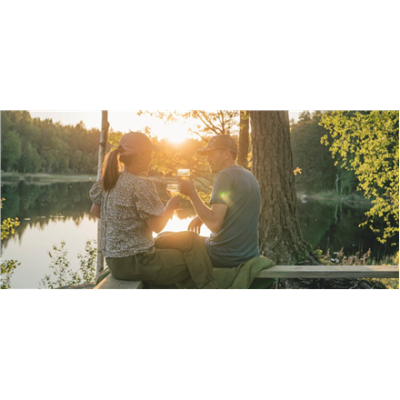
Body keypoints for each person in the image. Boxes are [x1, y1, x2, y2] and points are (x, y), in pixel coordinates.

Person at [89, 131, 217, 289]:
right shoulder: (141, 185)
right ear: (141, 156)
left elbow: (95, 210)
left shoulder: (109, 180)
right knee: (192, 262)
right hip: (138, 261)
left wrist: (123, 226)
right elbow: (157, 227)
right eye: (150, 154)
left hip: (115, 262)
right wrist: (169, 207)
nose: (151, 158)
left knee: (190, 241)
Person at [178, 135, 261, 269]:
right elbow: (232, 210)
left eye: (211, 154)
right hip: (248, 256)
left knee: (166, 240)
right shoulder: (248, 175)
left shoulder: (225, 175)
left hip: (223, 256)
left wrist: (192, 194)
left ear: (226, 154)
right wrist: (200, 217)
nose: (207, 159)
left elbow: (214, 224)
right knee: (183, 239)